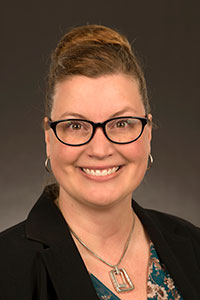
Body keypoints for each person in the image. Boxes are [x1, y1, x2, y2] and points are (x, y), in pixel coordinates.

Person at [0, 24, 199, 300]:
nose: (100, 148)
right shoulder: (6, 268)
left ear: (148, 132)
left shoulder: (194, 246)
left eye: (121, 123)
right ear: (49, 137)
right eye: (76, 125)